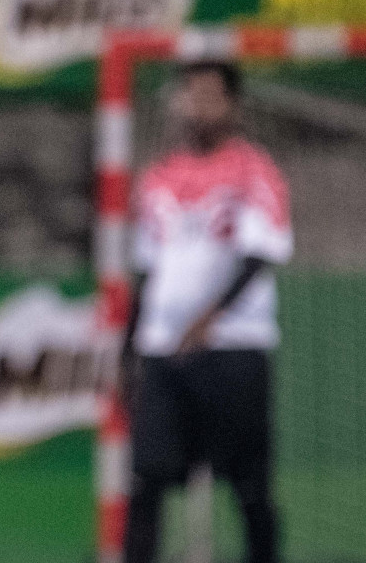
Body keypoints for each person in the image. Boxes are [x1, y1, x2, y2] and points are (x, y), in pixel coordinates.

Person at [123, 62, 291, 563]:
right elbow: (145, 270)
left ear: (233, 104)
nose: (198, 105)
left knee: (250, 487)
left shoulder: (254, 171)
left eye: (211, 95)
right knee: (146, 480)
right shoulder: (157, 177)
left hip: (234, 349)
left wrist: (206, 321)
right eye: (190, 94)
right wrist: (127, 347)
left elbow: (259, 256)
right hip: (163, 351)